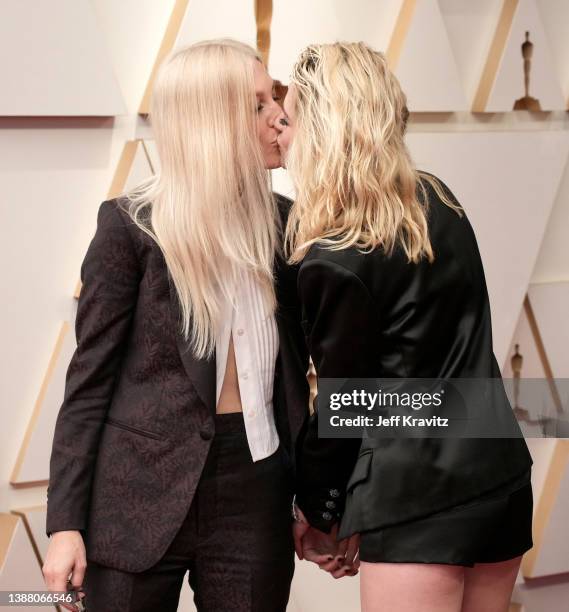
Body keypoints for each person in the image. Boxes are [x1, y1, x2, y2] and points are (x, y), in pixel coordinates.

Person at [42, 39, 309, 612]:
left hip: (255, 487)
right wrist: (65, 524)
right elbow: (88, 385)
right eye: (260, 104)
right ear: (215, 119)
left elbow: (301, 378)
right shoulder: (129, 227)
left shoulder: (290, 227)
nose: (279, 118)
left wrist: (320, 501)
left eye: (276, 100)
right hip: (136, 493)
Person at [276, 42, 533, 612]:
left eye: (289, 120)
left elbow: (347, 409)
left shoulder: (334, 256)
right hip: (500, 479)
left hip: (418, 501)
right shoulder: (440, 200)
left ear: (322, 130)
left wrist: (319, 512)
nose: (281, 136)